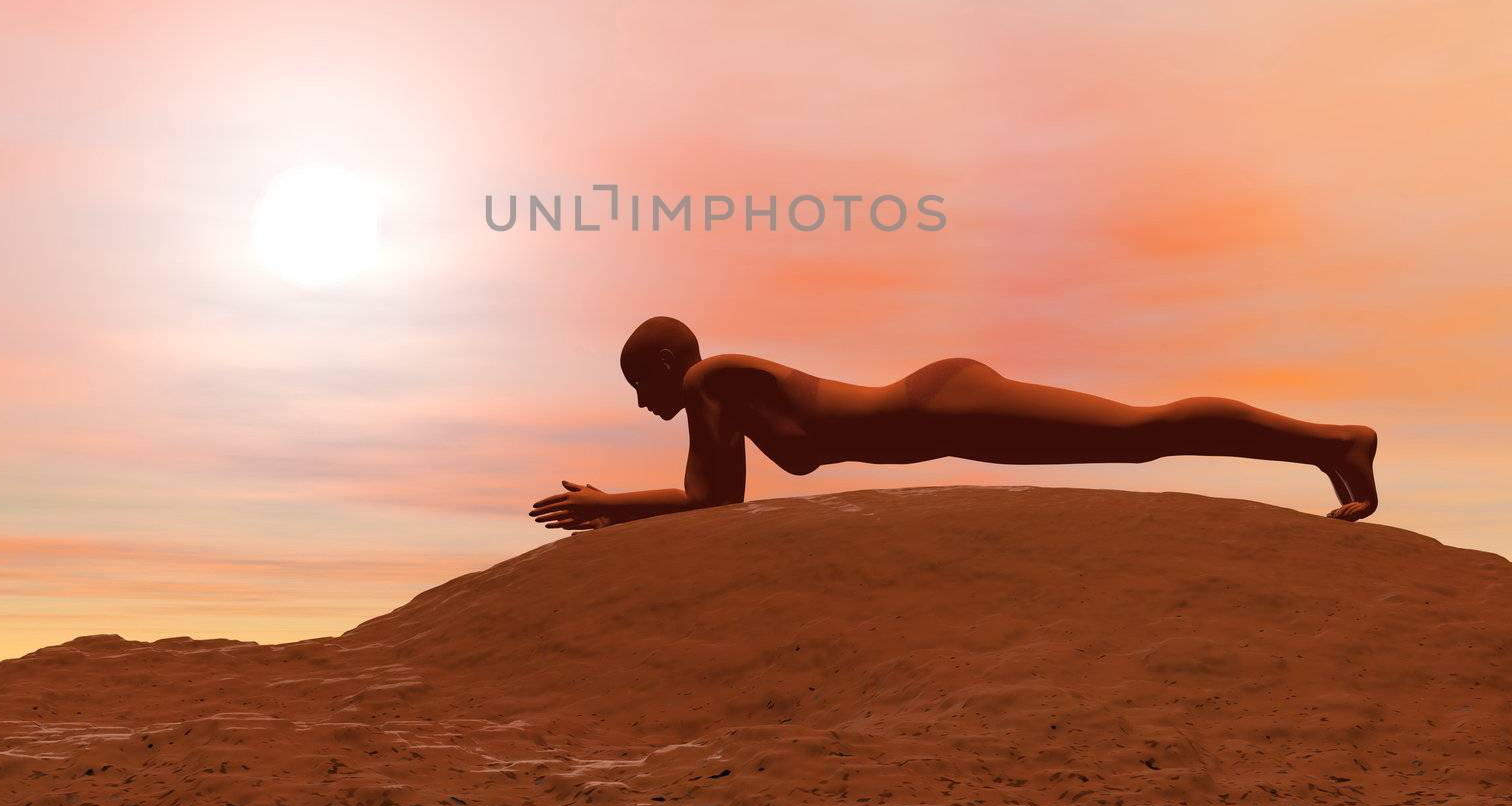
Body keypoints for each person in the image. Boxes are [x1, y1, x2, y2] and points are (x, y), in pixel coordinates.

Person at [529, 315, 1379, 532]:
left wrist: (611, 504)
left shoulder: (714, 382)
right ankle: (1326, 450)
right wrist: (617, 509)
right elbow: (713, 499)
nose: (642, 403)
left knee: (1140, 431)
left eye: (640, 383)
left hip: (946, 405)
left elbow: (711, 504)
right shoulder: (727, 403)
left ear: (672, 363)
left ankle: (1336, 444)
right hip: (947, 415)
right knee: (1139, 436)